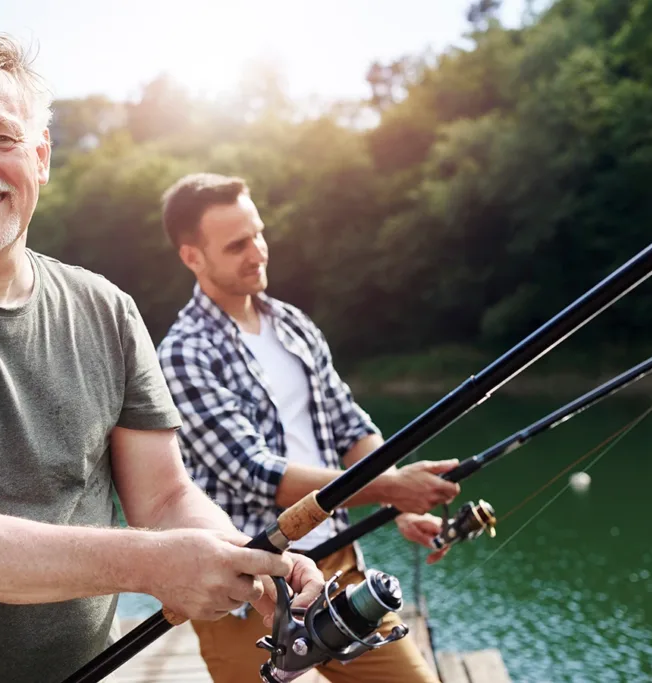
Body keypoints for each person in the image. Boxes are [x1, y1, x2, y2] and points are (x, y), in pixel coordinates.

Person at [0, 37, 324, 683]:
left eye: (0, 138)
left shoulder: (108, 309)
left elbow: (163, 497)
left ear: (40, 156)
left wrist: (245, 557)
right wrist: (158, 564)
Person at [156, 172, 463, 683]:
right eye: (236, 245)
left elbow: (348, 425)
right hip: (245, 587)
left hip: (336, 565)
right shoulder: (184, 354)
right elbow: (256, 473)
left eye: (257, 234)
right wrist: (391, 489)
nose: (257, 252)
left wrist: (395, 503)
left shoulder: (294, 325)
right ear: (193, 257)